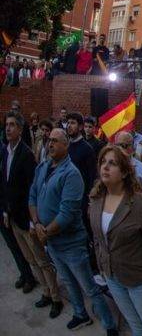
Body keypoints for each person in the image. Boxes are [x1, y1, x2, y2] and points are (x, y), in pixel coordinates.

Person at [29, 128, 118, 333]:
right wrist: (36, 222)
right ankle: (80, 314)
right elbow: (32, 195)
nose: (50, 144)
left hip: (71, 243)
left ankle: (109, 324)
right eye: (48, 140)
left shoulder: (71, 174)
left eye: (55, 141)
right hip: (51, 241)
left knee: (89, 287)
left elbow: (67, 213)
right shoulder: (42, 167)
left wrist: (45, 232)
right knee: (68, 282)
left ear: (66, 145)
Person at [88, 145, 142, 335]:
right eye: (103, 162)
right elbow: (98, 239)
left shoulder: (140, 204)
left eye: (112, 163)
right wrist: (102, 266)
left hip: (140, 280)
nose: (105, 167)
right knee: (135, 325)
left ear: (124, 172)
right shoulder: (96, 198)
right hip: (111, 276)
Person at [1, 112, 48, 302]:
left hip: (24, 214)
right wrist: (5, 209)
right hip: (9, 211)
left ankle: (51, 293)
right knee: (18, 250)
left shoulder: (27, 154)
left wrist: (32, 219)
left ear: (20, 129)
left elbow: (32, 187)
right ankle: (27, 276)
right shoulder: (5, 151)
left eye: (12, 125)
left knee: (38, 256)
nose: (8, 128)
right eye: (6, 125)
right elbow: (4, 182)